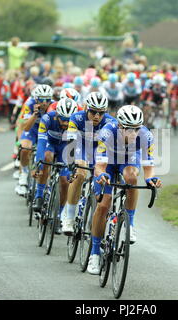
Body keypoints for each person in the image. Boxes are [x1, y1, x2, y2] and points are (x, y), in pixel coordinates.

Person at [87, 105, 162, 275]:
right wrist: (101, 175)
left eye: (136, 128)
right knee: (104, 205)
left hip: (128, 160)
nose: (133, 133)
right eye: (129, 129)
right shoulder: (107, 132)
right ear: (120, 126)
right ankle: (95, 254)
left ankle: (131, 222)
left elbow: (148, 167)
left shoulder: (146, 135)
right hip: (108, 164)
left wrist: (151, 179)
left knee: (131, 178)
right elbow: (99, 166)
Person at [62, 92, 117, 235]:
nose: (97, 116)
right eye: (93, 112)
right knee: (80, 173)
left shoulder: (110, 122)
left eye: (101, 112)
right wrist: (71, 164)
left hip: (99, 151)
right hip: (81, 147)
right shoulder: (76, 118)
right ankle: (69, 218)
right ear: (87, 109)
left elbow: (111, 150)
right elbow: (72, 144)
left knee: (100, 182)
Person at [32, 98, 79, 232]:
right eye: (62, 119)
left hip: (66, 148)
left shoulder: (77, 123)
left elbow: (75, 148)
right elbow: (41, 143)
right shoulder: (47, 119)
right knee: (46, 157)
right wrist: (38, 164)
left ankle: (60, 215)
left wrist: (73, 166)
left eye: (68, 120)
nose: (65, 123)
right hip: (50, 144)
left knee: (65, 181)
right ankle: (39, 195)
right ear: (57, 115)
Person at [15, 84, 54, 197]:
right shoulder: (30, 103)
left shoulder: (53, 105)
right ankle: (24, 173)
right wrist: (35, 114)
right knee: (25, 148)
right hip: (32, 129)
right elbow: (25, 127)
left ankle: (47, 180)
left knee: (49, 154)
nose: (45, 102)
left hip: (46, 130)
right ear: (36, 99)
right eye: (42, 99)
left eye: (47, 99)